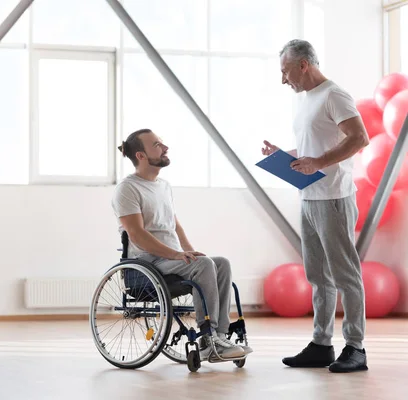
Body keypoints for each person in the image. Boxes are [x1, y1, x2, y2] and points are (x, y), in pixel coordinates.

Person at [262, 39, 370, 373]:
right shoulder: (307, 99)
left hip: (334, 197)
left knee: (345, 275)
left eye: (285, 71)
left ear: (303, 64)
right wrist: (286, 157)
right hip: (309, 196)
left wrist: (319, 161)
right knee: (317, 276)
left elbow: (359, 138)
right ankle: (322, 344)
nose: (284, 80)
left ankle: (356, 348)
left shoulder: (334, 94)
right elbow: (315, 147)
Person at [111, 128, 252, 361]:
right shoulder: (128, 189)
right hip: (147, 263)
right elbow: (136, 234)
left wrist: (188, 251)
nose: (165, 148)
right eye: (157, 145)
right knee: (204, 264)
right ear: (141, 156)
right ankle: (207, 339)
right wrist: (176, 254)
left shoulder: (163, 186)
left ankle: (220, 335)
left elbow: (175, 226)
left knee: (221, 263)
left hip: (170, 259)